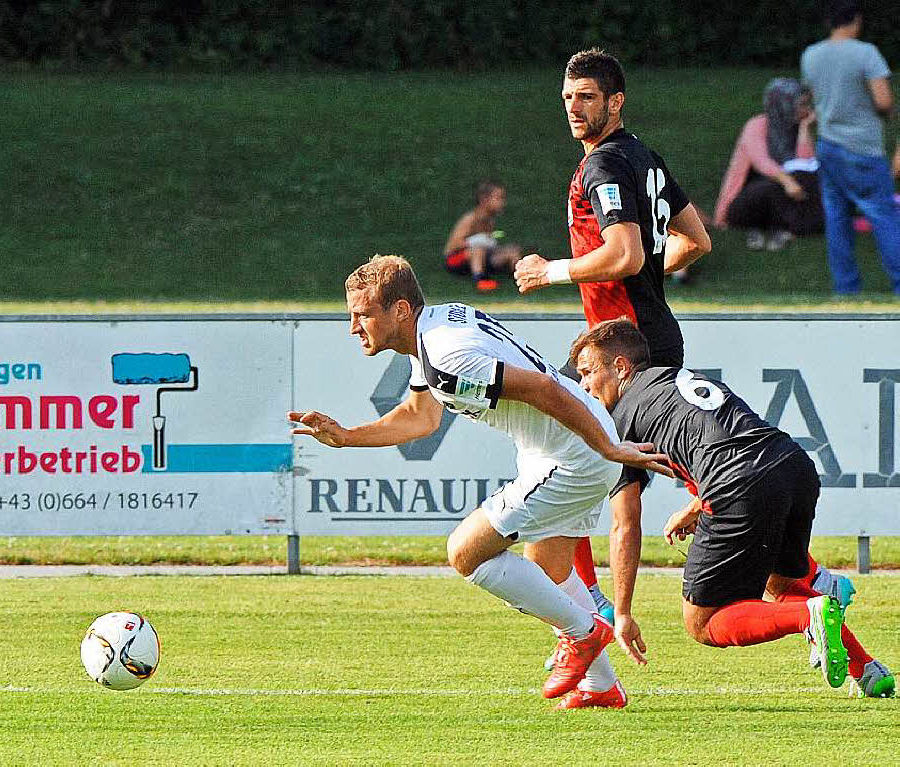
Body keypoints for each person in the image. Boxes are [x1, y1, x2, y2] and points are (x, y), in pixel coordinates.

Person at [289, 255, 673, 710]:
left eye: (363, 313)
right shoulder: (434, 331)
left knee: (466, 552)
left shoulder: (445, 357)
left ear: (400, 311)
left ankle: (586, 633)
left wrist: (606, 449)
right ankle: (600, 687)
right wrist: (349, 437)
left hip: (573, 454)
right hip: (567, 447)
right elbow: (419, 417)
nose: (354, 326)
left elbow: (543, 389)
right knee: (549, 570)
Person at [570, 318, 895, 698]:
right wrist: (696, 505)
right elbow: (731, 442)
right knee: (782, 582)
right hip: (791, 465)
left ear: (621, 367)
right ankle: (868, 670)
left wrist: (622, 612)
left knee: (703, 621)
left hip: (737, 486)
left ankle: (810, 613)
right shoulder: (674, 378)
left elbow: (625, 525)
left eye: (588, 372)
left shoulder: (619, 423)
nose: (583, 386)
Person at [512, 48, 711, 637]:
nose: (574, 108)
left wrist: (551, 271)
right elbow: (695, 240)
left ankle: (602, 616)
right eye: (568, 97)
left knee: (582, 476)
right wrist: (649, 276)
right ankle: (596, 610)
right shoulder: (644, 157)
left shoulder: (601, 166)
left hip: (626, 353)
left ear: (615, 102)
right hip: (639, 339)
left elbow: (623, 253)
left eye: (587, 97)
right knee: (573, 468)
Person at [801, 1, 900, 296]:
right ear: (855, 20)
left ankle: (845, 289)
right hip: (863, 148)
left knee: (837, 218)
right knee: (883, 215)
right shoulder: (865, 53)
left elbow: (813, 97)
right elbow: (883, 101)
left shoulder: (811, 55)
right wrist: (888, 111)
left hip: (828, 145)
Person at [713, 78, 824, 250]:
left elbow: (806, 164)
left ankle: (784, 228)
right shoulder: (756, 125)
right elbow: (761, 161)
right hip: (748, 198)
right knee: (771, 188)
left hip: (782, 193)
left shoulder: (795, 126)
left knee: (812, 179)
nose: (807, 110)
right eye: (801, 105)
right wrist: (787, 181)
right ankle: (801, 227)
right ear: (785, 105)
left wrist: (804, 129)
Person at [443, 180, 521, 291]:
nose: (503, 203)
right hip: (456, 260)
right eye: (499, 198)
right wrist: (476, 241)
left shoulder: (490, 220)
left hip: (483, 257)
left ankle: (520, 277)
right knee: (478, 249)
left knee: (511, 251)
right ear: (484, 200)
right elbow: (452, 246)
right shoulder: (470, 219)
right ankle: (480, 280)